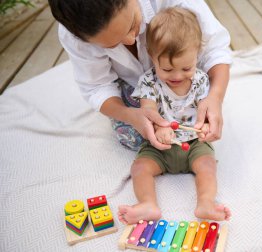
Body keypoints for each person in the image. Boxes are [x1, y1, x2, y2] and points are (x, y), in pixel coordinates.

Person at [48, 0, 232, 151]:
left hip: (187, 86)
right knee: (134, 135)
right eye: (112, 45)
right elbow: (97, 87)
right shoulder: (73, 35)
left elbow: (215, 50)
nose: (130, 40)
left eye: (132, 24)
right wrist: (129, 115)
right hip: (134, 90)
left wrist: (215, 96)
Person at [117, 7, 231, 224]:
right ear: (152, 56)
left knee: (207, 165)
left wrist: (205, 126)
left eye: (186, 68)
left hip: (194, 143)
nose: (177, 76)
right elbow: (149, 111)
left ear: (197, 55)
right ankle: (148, 204)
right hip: (160, 147)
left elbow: (205, 111)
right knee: (139, 168)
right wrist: (160, 128)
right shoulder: (148, 82)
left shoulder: (200, 80)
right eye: (167, 70)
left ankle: (206, 202)